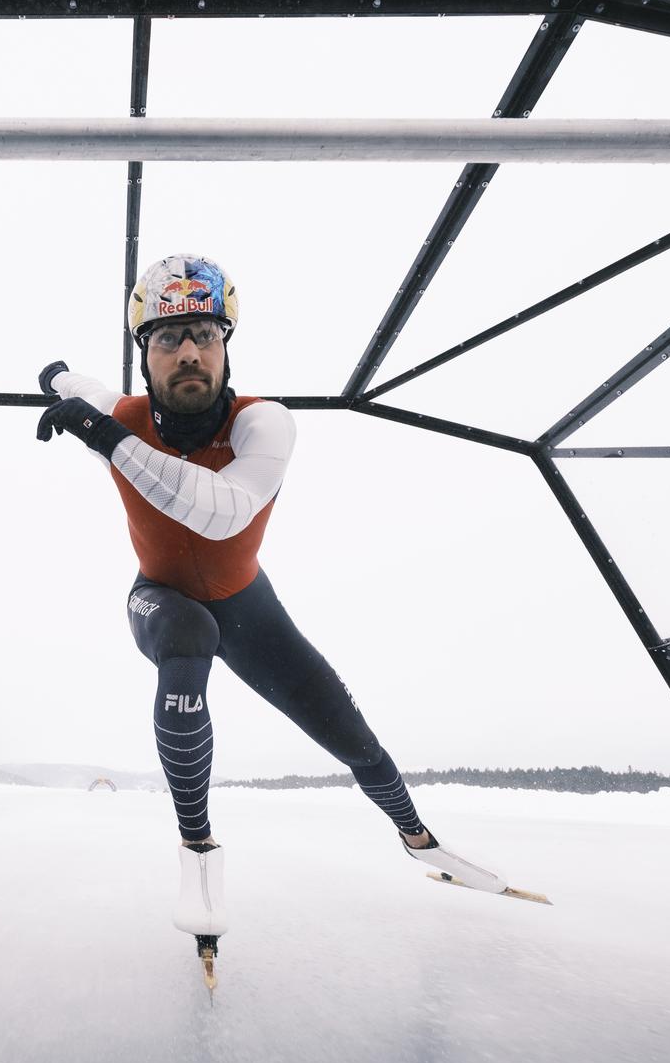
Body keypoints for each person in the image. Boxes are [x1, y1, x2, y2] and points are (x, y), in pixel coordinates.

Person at [34, 254, 507, 952]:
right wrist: (54, 377)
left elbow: (220, 515)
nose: (189, 349)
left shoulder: (265, 425)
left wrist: (106, 436)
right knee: (187, 634)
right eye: (167, 337)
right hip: (161, 598)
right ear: (145, 357)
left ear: (227, 345)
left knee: (351, 735)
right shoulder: (123, 412)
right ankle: (197, 853)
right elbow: (80, 384)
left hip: (250, 604)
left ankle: (419, 838)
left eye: (205, 333)